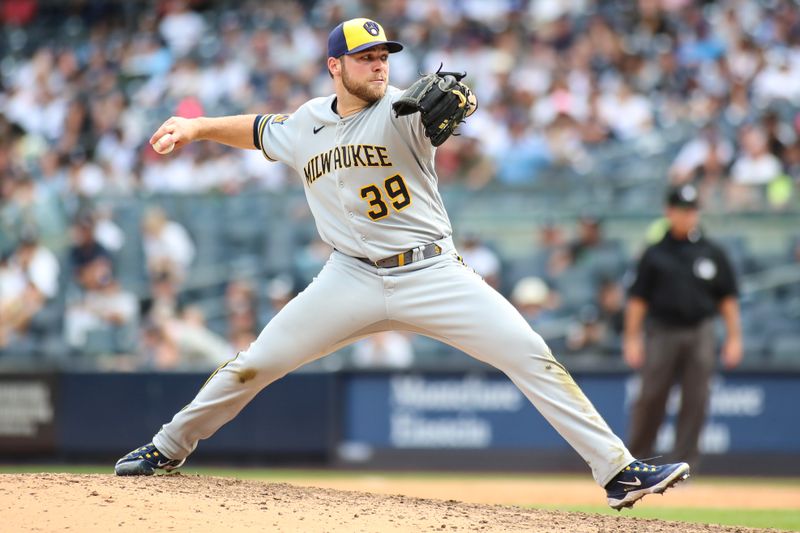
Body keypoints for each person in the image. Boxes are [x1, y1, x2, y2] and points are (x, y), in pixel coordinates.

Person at [114, 17, 690, 511]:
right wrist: (195, 127)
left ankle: (617, 471)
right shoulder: (308, 122)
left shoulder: (402, 110)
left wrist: (452, 118)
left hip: (432, 271)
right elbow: (263, 130)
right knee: (255, 362)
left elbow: (439, 118)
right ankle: (168, 447)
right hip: (350, 276)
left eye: (384, 55)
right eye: (365, 57)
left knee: (531, 355)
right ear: (335, 66)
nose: (379, 66)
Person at [624, 183, 742, 470]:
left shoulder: (712, 251)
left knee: (696, 399)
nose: (688, 216)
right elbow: (638, 300)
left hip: (700, 330)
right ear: (669, 212)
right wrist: (631, 338)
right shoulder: (654, 253)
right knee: (651, 396)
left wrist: (734, 337)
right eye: (682, 210)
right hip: (662, 331)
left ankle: (683, 466)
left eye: (692, 210)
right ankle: (638, 462)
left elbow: (726, 299)